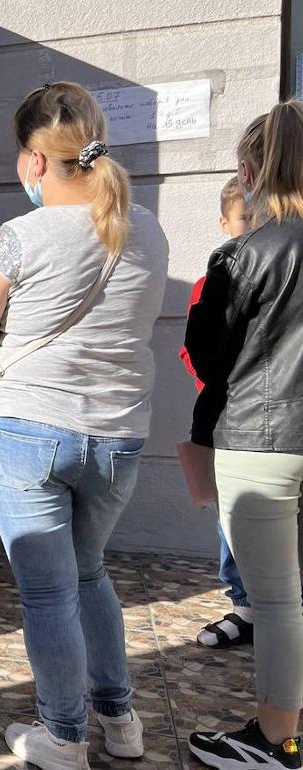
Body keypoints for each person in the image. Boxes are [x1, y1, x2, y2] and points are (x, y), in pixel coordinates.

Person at [0, 82, 168, 770]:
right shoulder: (151, 230)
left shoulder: (16, 237)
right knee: (89, 574)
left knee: (48, 593)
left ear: (34, 161)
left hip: (25, 431)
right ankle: (121, 719)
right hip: (118, 436)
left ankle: (63, 736)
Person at [186, 103, 303, 770]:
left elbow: (208, 356)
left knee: (277, 602)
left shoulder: (244, 254)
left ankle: (274, 741)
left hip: (263, 443)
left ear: (253, 170)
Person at [177, 176, 254, 650]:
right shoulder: (213, 280)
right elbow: (194, 350)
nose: (251, 228)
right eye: (244, 219)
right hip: (228, 418)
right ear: (224, 223)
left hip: (275, 420)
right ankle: (244, 605)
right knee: (230, 514)